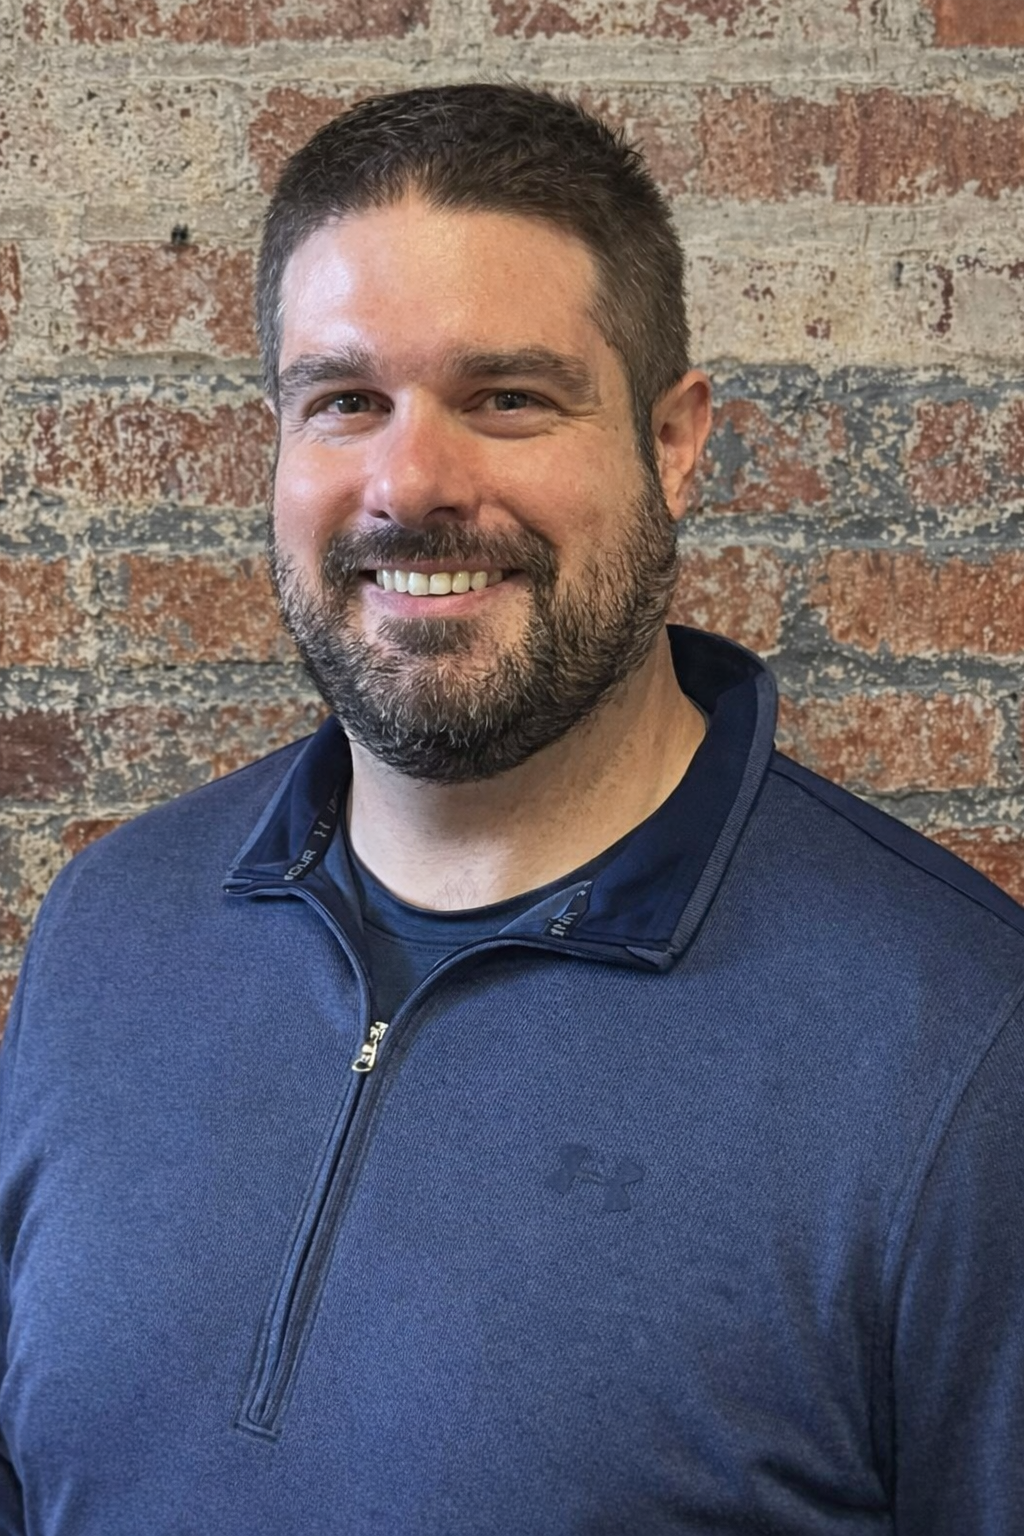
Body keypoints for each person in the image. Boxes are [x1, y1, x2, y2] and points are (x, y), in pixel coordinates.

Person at [0, 82, 1021, 1536]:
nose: (412, 481)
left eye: (509, 399)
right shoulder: (108, 936)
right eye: (345, 400)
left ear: (673, 444)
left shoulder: (962, 1048)